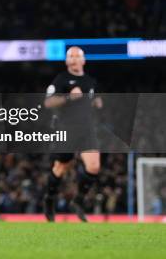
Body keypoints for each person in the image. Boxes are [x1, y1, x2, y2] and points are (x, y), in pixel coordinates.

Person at [43, 46, 103, 222]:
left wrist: (97, 103)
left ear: (84, 60)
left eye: (78, 56)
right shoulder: (61, 80)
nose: (75, 59)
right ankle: (49, 199)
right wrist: (69, 97)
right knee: (61, 167)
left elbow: (92, 100)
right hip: (66, 128)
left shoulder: (91, 82)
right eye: (71, 56)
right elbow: (48, 102)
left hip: (86, 128)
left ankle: (78, 201)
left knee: (94, 166)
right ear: (67, 61)